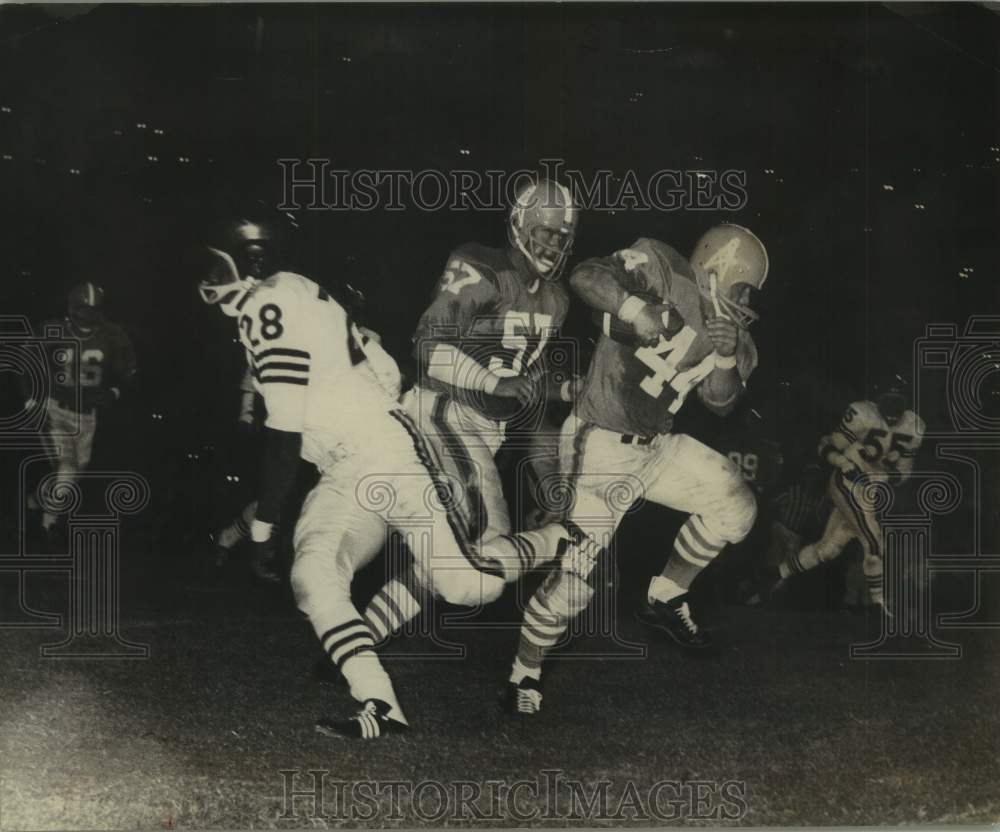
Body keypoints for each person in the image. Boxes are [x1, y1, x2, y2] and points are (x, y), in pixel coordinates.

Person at [197, 218, 571, 739]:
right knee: (313, 573)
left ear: (249, 260)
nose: (209, 279)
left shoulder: (269, 302)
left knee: (470, 585)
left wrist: (261, 527)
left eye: (218, 264)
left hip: (386, 453)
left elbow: (283, 432)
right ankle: (379, 701)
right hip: (348, 465)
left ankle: (560, 539)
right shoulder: (300, 293)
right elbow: (385, 372)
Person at [503, 224, 769, 716]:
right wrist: (634, 308)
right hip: (601, 441)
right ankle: (525, 671)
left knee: (736, 505)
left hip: (658, 445)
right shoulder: (664, 268)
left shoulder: (738, 338)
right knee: (576, 581)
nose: (746, 300)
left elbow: (719, 402)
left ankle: (665, 595)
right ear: (721, 269)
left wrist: (727, 353)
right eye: (744, 287)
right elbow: (586, 275)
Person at [361, 178, 584, 647]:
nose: (551, 243)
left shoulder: (556, 299)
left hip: (483, 432)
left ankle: (354, 643)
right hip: (444, 412)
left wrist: (565, 389)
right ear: (519, 225)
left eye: (560, 236)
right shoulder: (481, 264)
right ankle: (561, 539)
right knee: (483, 564)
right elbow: (426, 346)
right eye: (544, 231)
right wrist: (492, 382)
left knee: (450, 564)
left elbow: (523, 382)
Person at [770, 380, 924, 613]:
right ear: (876, 399)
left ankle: (774, 575)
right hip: (846, 482)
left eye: (897, 402)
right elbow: (826, 445)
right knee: (873, 541)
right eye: (888, 402)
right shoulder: (862, 412)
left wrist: (883, 477)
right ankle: (879, 601)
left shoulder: (915, 426)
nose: (891, 409)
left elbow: (904, 472)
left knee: (826, 550)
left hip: (869, 493)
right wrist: (842, 462)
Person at [24, 282, 136, 547]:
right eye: (83, 311)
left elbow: (130, 373)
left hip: (88, 418)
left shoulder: (112, 336)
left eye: (92, 312)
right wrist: (32, 399)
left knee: (70, 480)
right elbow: (25, 362)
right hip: (56, 411)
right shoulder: (54, 330)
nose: (87, 318)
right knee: (67, 470)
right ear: (72, 310)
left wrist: (114, 392)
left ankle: (35, 501)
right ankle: (47, 528)